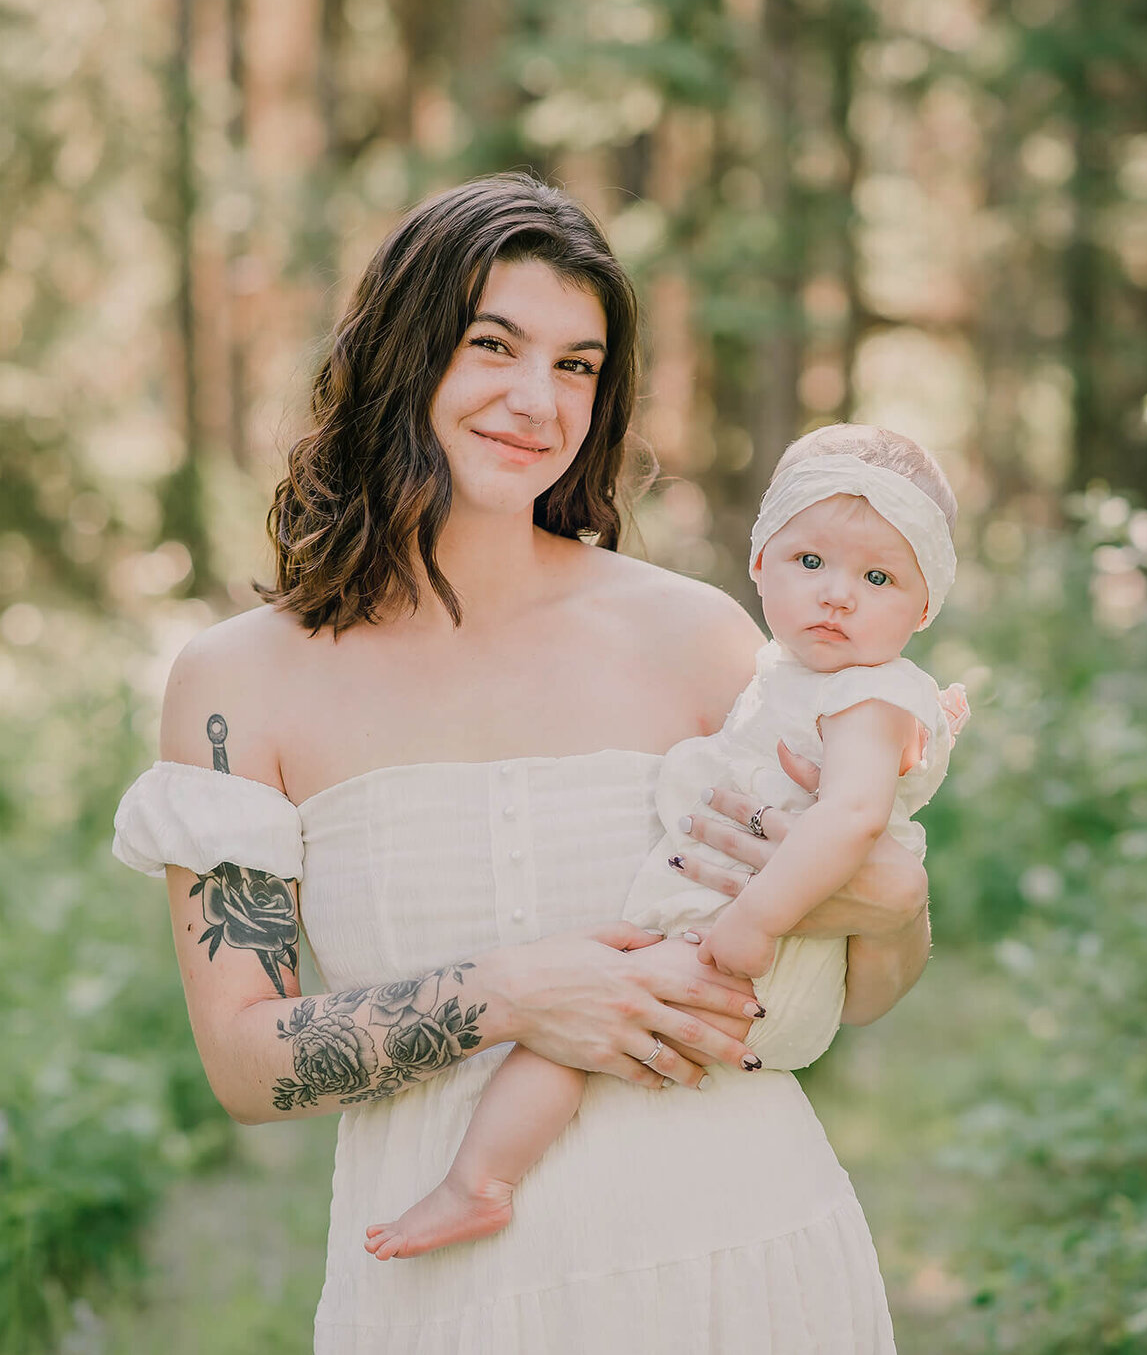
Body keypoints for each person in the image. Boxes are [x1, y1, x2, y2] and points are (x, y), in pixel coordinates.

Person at [114, 174, 932, 1355]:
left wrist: (896, 902)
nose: (535, 399)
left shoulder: (697, 637)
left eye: (577, 364)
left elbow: (860, 984)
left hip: (740, 1259)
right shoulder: (238, 686)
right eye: (491, 344)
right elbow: (248, 1061)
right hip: (454, 1311)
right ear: (399, 349)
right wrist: (511, 990)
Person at [366, 422, 969, 1263]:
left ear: (925, 604)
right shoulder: (783, 675)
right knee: (577, 1020)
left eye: (877, 578)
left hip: (761, 958)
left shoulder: (873, 697)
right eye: (810, 563)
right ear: (761, 563)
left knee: (571, 1027)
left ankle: (479, 1184)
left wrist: (755, 919)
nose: (837, 595)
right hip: (740, 940)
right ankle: (482, 1183)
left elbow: (851, 819)